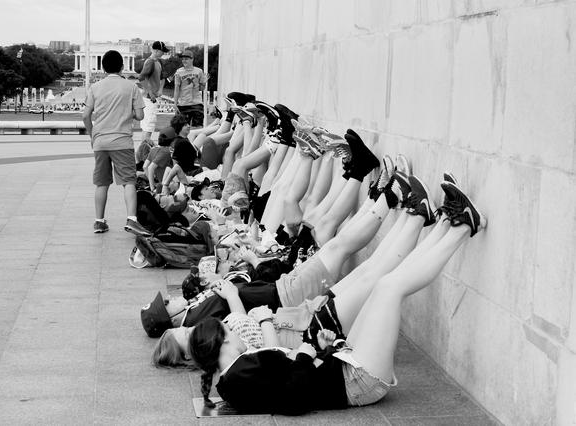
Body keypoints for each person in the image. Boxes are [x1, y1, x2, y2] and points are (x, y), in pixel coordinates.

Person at [187, 180, 487, 415]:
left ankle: (450, 223)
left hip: (344, 369)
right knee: (387, 288)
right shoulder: (238, 375)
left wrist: (316, 350)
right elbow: (292, 399)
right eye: (229, 330)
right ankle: (461, 228)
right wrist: (307, 350)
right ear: (222, 342)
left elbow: (286, 380)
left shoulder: (236, 374)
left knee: (382, 285)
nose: (236, 331)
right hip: (355, 381)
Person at [81, 50, 150, 236]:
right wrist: (129, 112)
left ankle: (99, 221)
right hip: (122, 141)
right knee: (128, 181)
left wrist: (92, 135)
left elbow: (85, 115)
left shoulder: (95, 88)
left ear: (103, 67)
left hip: (101, 141)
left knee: (101, 183)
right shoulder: (131, 87)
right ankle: (131, 220)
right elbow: (141, 115)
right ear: (122, 66)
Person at [137, 41, 169, 147]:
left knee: (148, 127)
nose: (163, 53)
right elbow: (141, 78)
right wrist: (150, 92)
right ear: (156, 50)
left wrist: (160, 89)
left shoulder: (158, 62)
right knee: (149, 126)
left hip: (152, 98)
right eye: (162, 51)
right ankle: (144, 153)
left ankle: (144, 151)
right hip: (149, 99)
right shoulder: (150, 62)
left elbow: (163, 77)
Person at [173, 50, 207, 127]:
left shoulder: (199, 71)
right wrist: (175, 104)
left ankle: (197, 139)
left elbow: (201, 88)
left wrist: (204, 83)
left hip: (197, 103)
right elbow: (176, 89)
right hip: (184, 104)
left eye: (186, 59)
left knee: (198, 127)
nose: (184, 61)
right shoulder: (179, 72)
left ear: (192, 59)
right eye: (183, 59)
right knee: (183, 128)